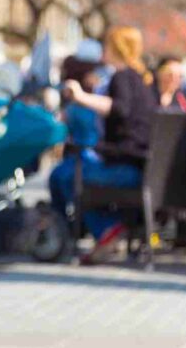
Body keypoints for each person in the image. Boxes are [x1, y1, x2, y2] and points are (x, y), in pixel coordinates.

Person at [50, 26, 157, 264]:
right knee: (73, 173)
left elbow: (119, 108)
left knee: (65, 176)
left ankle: (106, 230)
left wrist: (80, 97)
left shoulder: (122, 76)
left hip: (127, 168)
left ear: (116, 48)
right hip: (142, 167)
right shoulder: (141, 79)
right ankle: (108, 229)